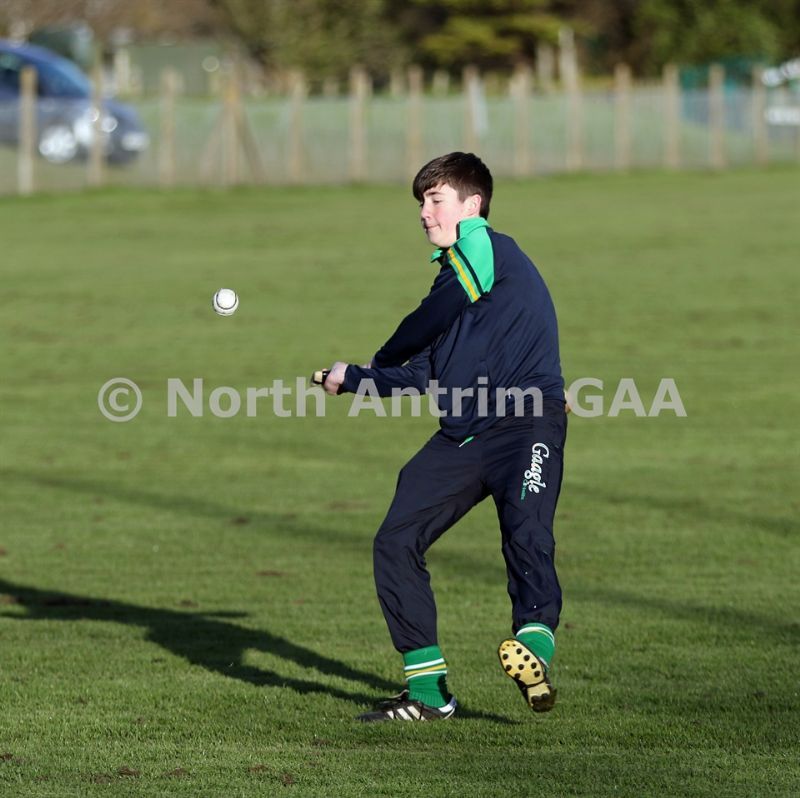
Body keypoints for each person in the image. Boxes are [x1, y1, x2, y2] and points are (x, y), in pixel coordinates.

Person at [321, 152, 567, 722]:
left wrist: (384, 354)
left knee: (526, 532)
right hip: (465, 434)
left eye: (435, 199)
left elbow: (427, 321)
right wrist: (353, 378)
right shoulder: (455, 281)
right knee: (395, 540)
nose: (424, 213)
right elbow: (425, 370)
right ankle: (429, 695)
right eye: (421, 203)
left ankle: (534, 644)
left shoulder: (486, 249)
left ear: (472, 205)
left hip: (527, 421)